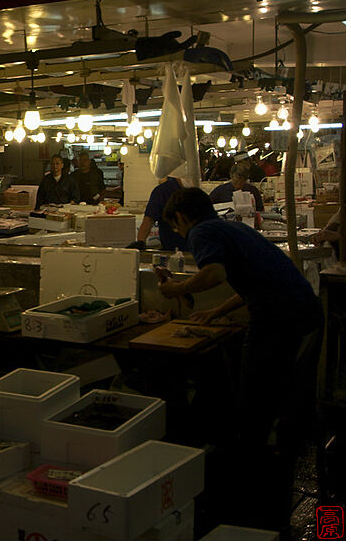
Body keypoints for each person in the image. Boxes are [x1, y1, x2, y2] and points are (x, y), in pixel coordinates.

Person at [157, 187, 322, 533]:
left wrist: (176, 289)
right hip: (302, 312)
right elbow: (254, 283)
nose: (180, 234)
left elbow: (215, 273)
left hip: (279, 321)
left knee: (254, 401)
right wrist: (217, 310)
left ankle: (247, 490)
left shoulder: (202, 232)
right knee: (269, 394)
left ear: (182, 218)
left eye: (177, 226)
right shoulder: (233, 228)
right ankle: (264, 468)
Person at [129, 176, 190, 251]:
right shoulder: (163, 191)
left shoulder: (203, 191)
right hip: (173, 251)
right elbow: (149, 220)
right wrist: (140, 242)